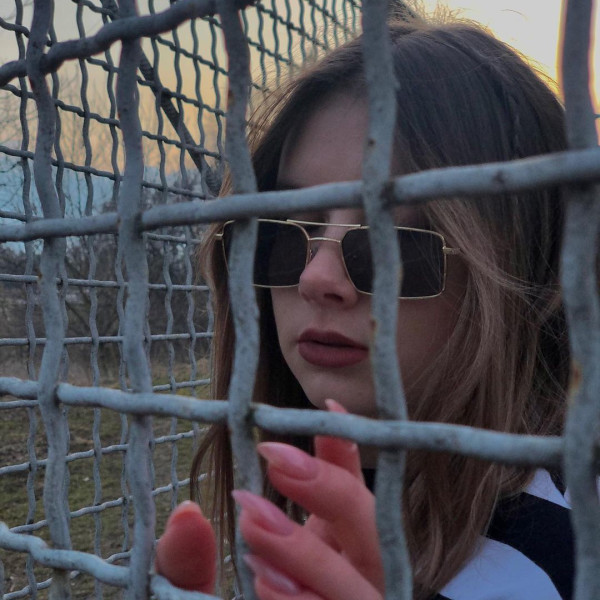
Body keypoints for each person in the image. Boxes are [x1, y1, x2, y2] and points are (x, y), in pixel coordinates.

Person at [154, 12, 575, 600]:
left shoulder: (542, 564)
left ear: (520, 276)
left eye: (391, 242)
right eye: (288, 230)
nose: (317, 278)